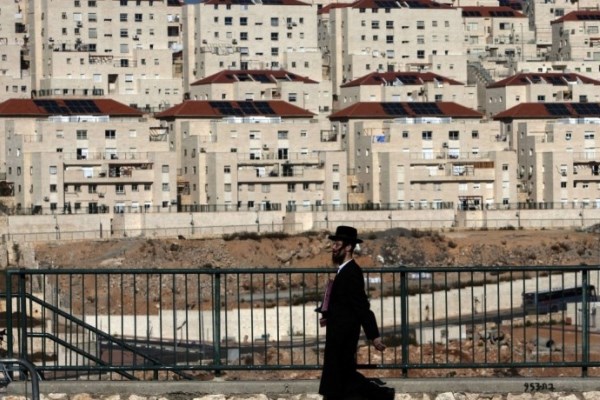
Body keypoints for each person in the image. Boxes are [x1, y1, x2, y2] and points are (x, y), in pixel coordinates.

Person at [318, 225, 395, 400]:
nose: (333, 248)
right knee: (341, 377)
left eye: (337, 244)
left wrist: (374, 335)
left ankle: (383, 395)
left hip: (344, 334)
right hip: (338, 332)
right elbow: (343, 302)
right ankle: (382, 395)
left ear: (348, 247)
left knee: (343, 376)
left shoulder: (352, 272)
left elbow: (361, 306)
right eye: (333, 244)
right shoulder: (344, 270)